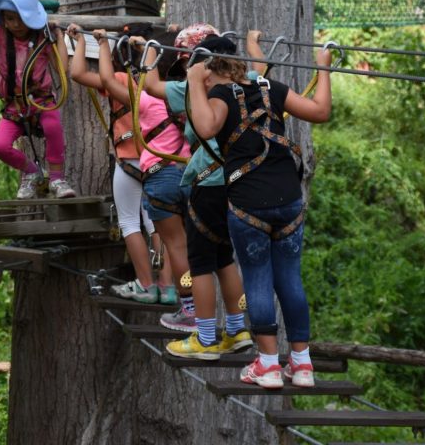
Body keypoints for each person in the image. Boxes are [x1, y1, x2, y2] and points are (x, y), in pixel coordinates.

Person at [188, 32, 332, 387]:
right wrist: (323, 69)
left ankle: (268, 363)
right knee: (290, 281)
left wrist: (193, 81)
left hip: (249, 204)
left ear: (210, 74)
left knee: (257, 279)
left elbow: (205, 126)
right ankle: (301, 363)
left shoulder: (218, 95)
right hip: (288, 202)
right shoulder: (271, 89)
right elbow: (320, 111)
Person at [143, 24, 261, 359]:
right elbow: (263, 69)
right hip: (235, 182)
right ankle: (237, 330)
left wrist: (150, 48)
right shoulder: (247, 82)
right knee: (225, 258)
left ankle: (206, 338)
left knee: (201, 263)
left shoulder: (194, 85)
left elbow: (150, 85)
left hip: (206, 183)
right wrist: (252, 43)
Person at [96, 28, 196, 329]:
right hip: (189, 175)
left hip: (154, 174)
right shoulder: (191, 94)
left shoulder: (144, 96)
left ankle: (162, 292)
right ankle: (179, 297)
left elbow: (104, 79)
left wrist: (103, 44)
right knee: (187, 245)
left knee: (133, 223)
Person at [66, 23, 163, 303]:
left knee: (130, 222)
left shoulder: (119, 79)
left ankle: (146, 284)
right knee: (157, 223)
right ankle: (169, 286)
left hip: (130, 158)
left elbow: (78, 73)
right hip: (159, 158)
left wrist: (88, 42)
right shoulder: (160, 82)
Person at [0, 0, 76, 199]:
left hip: (41, 101)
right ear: (3, 18)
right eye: (9, 18)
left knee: (53, 127)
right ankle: (33, 173)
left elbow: (62, 68)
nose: (15, 24)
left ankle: (57, 179)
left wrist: (59, 39)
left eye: (20, 18)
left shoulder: (42, 38)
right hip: (15, 105)